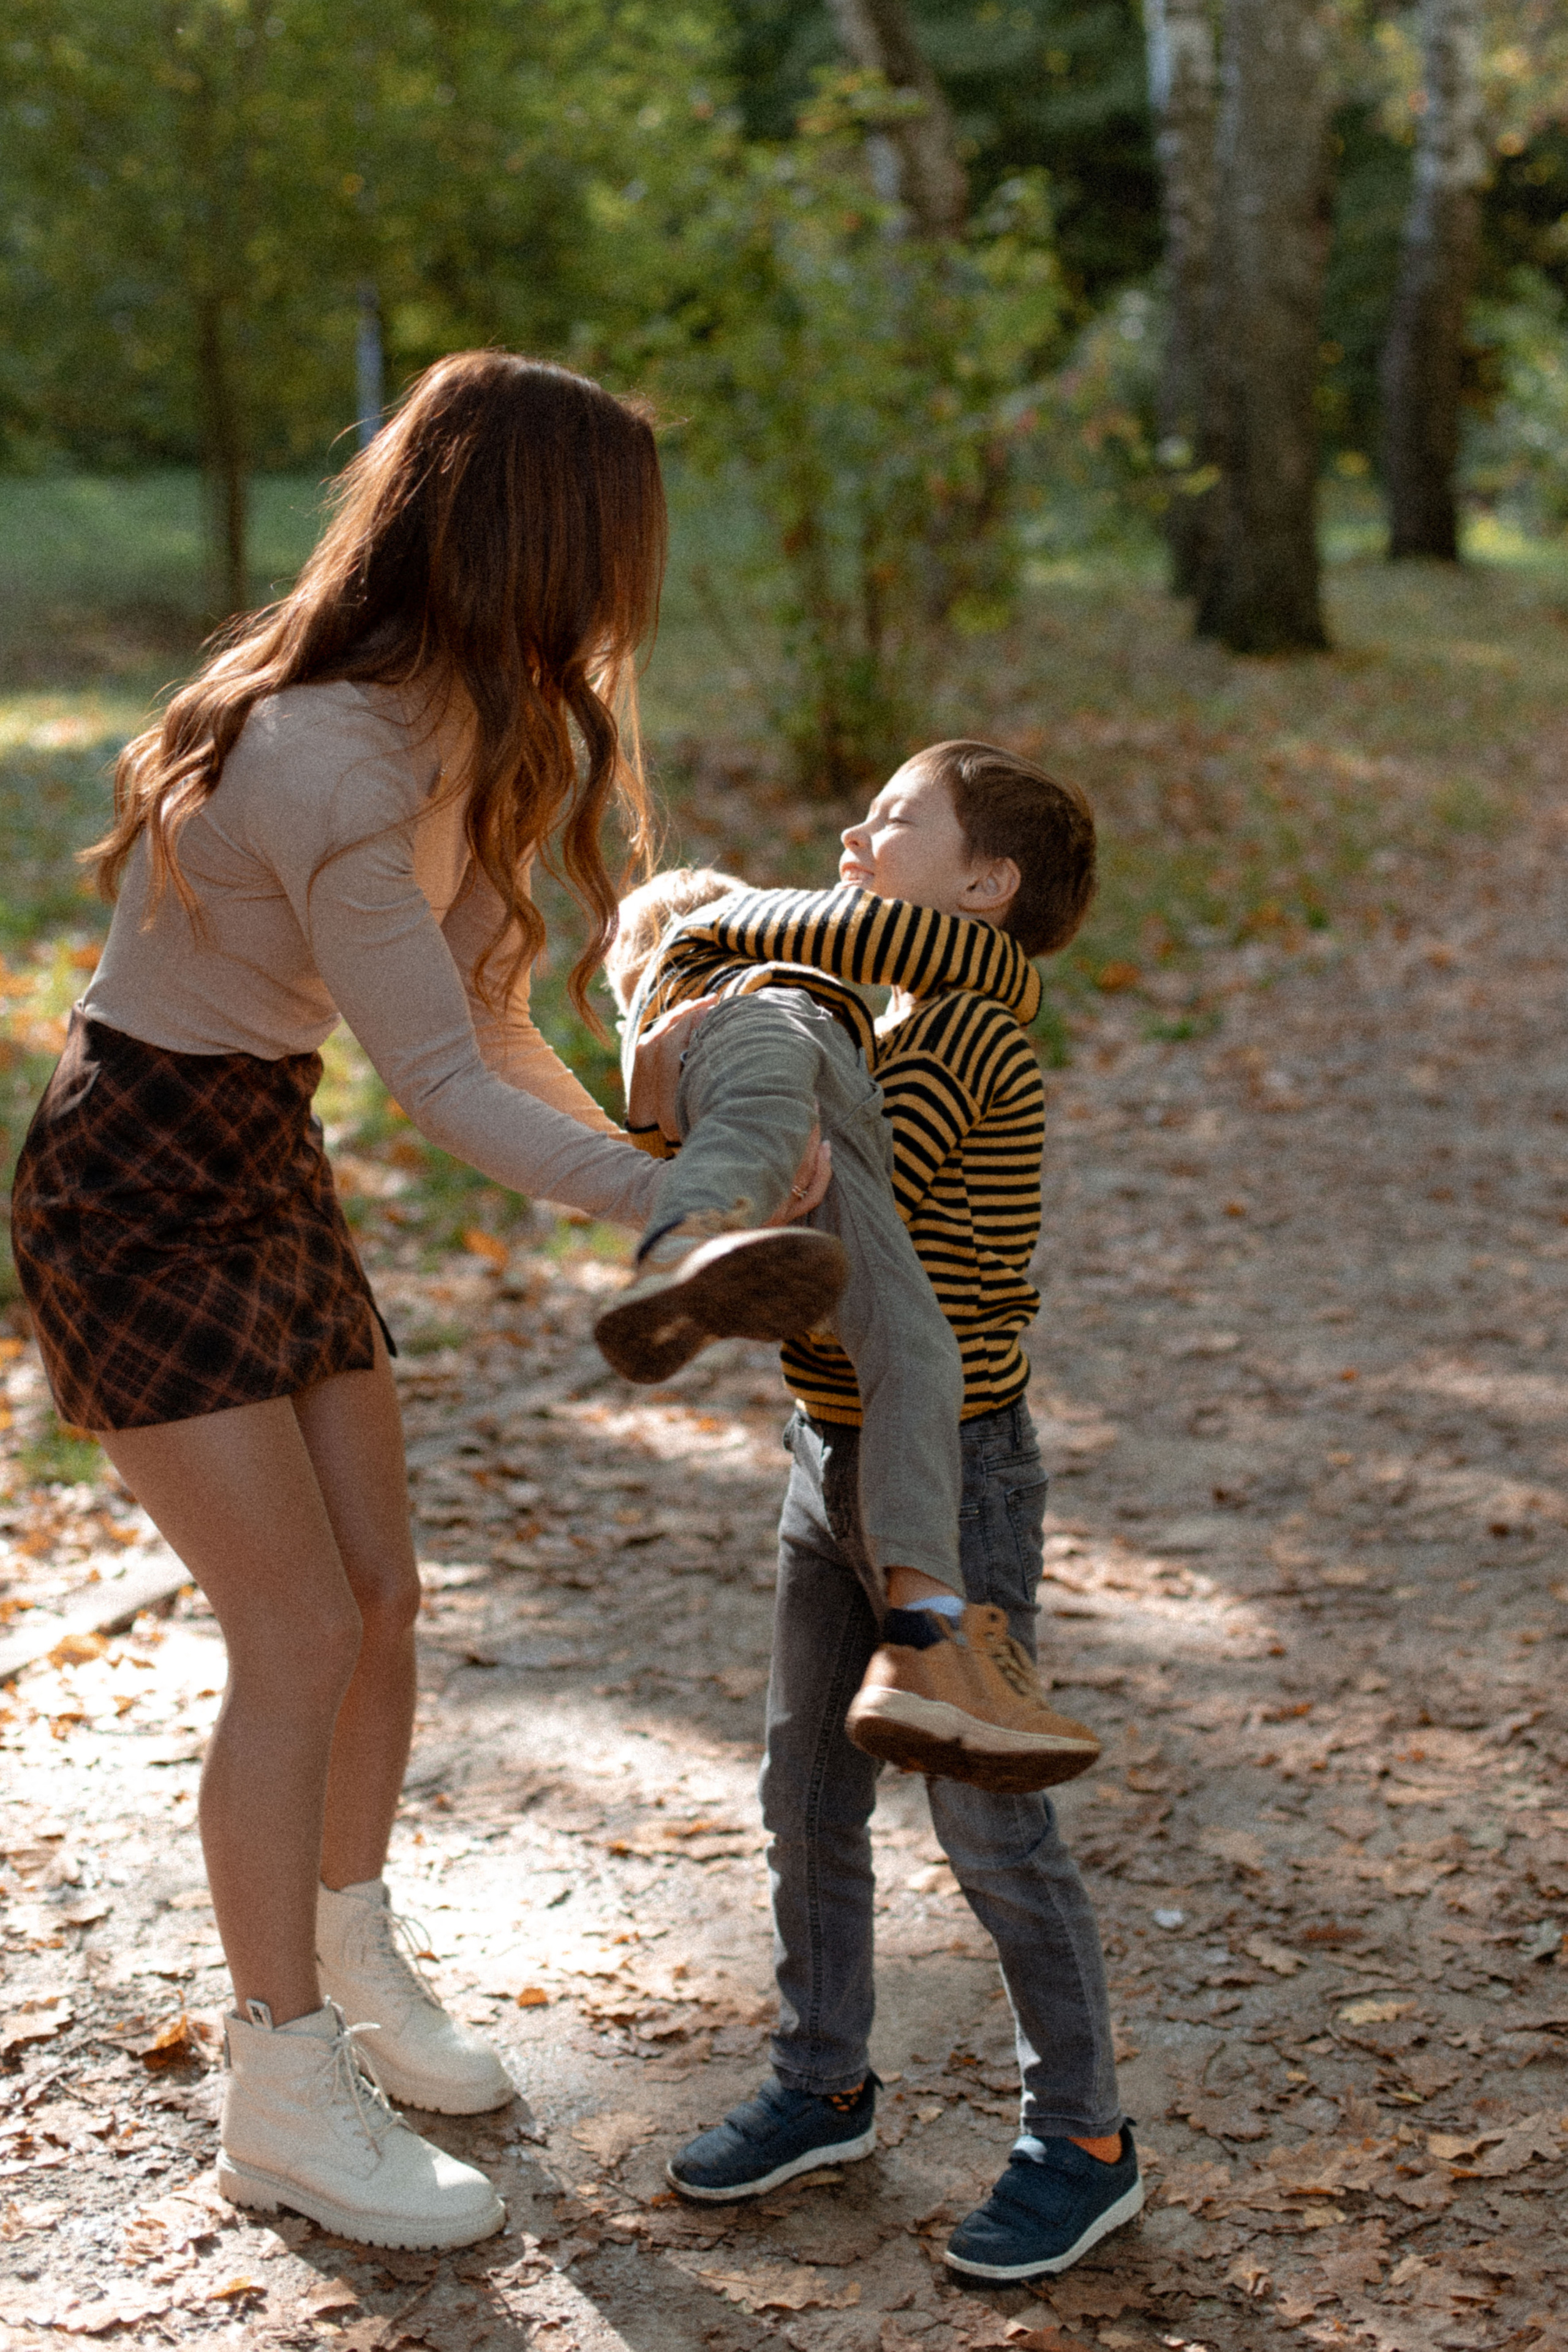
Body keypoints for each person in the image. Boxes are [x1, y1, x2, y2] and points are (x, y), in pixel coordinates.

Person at [9, 353, 692, 2252]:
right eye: (616, 546)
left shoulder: (474, 719)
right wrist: (669, 1200)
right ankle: (279, 2085)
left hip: (256, 1156)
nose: (631, 592)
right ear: (536, 536)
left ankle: (349, 1954)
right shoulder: (325, 745)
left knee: (382, 1597)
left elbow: (492, 1027)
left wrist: (681, 1181)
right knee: (297, 1629)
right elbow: (447, 1096)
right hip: (136, 1176)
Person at [655, 742, 1145, 2285]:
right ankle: (823, 2081)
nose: (856, 830)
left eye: (897, 819)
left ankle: (1081, 2139)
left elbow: (855, 1204)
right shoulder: (882, 1018)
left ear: (983, 887)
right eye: (858, 807)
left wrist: (717, 940)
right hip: (831, 1449)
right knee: (804, 1786)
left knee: (985, 1811)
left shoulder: (970, 1029)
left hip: (958, 1476)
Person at [598, 856, 1102, 1790]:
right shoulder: (742, 982)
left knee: (917, 1353)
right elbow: (730, 1092)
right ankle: (681, 1251)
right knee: (757, 1117)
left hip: (837, 1150)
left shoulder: (722, 947)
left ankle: (925, 1634)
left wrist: (648, 1096)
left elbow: (682, 1101)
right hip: (785, 1057)